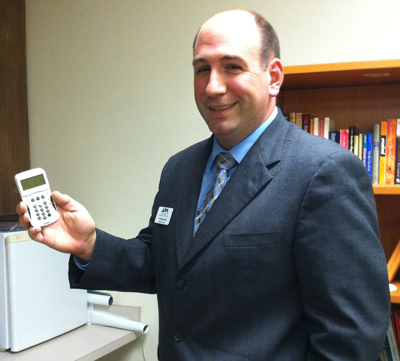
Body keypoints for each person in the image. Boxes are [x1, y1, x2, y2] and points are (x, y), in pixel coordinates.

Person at [17, 9, 390, 361]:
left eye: (232, 67)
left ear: (273, 76)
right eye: (201, 69)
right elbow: (163, 264)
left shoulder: (324, 172)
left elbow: (350, 339)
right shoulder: (180, 168)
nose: (212, 87)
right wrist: (90, 245)